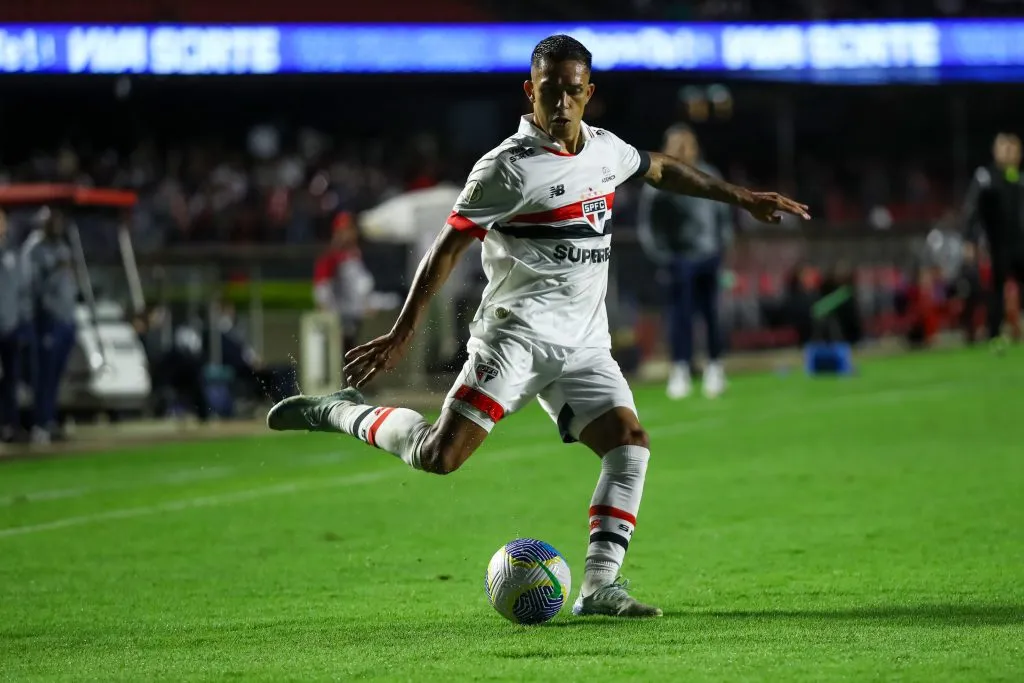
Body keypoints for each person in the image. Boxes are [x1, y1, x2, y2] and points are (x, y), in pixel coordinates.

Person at [267, 35, 808, 618]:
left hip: (585, 345)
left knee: (629, 447)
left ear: (589, 93)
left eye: (573, 91)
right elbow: (446, 248)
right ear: (531, 91)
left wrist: (740, 198)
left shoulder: (605, 150)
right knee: (439, 456)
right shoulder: (506, 167)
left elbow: (660, 168)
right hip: (514, 339)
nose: (562, 102)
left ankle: (599, 587)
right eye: (550, 91)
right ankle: (342, 412)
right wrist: (402, 333)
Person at [638, 124, 733, 399]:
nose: (683, 149)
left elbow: (723, 210)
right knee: (680, 316)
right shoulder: (661, 175)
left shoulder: (708, 173)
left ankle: (715, 367)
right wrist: (661, 254)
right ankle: (680, 369)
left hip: (709, 254)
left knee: (712, 314)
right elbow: (649, 223)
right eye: (677, 144)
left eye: (686, 143)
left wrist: (722, 243)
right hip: (679, 257)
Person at [21, 207, 79, 444]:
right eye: (52, 220)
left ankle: (50, 420)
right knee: (43, 375)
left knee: (55, 376)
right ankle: (40, 423)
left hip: (66, 318)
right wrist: (56, 270)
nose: (57, 224)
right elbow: (33, 286)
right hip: (47, 319)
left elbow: (70, 282)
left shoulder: (62, 247)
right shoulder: (34, 249)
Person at [962, 132, 1024, 347]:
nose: (1010, 153)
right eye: (1005, 148)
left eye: (1014, 149)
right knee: (996, 289)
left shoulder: (1017, 177)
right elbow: (972, 209)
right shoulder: (986, 176)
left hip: (1019, 242)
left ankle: (1014, 328)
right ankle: (994, 333)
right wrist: (970, 240)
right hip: (996, 243)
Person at [313, 212, 375, 352]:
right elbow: (322, 289)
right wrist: (326, 313)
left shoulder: (356, 254)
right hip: (339, 319)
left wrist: (367, 304)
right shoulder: (331, 257)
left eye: (351, 229)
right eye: (346, 230)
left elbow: (362, 286)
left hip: (356, 316)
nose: (350, 234)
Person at [0, 210, 29, 443]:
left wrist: (22, 320)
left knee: (11, 379)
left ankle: (10, 424)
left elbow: (22, 290)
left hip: (11, 327)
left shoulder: (12, 251)